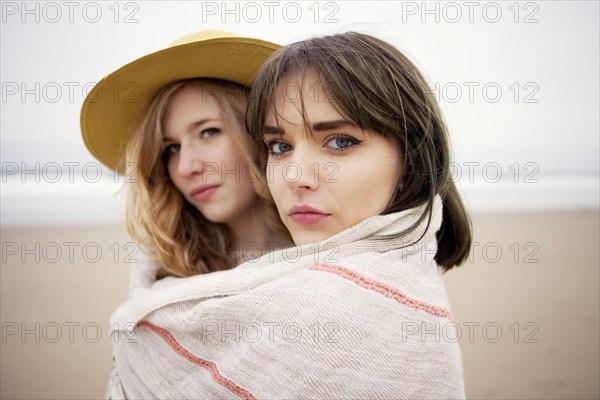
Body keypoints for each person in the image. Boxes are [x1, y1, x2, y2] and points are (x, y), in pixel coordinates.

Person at [107, 31, 472, 399]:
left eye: (341, 141)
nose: (185, 165)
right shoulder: (160, 278)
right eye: (280, 146)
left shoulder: (385, 313)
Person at [80, 30, 292, 283]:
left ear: (259, 133)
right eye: (172, 148)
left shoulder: (332, 245)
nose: (185, 167)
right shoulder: (159, 270)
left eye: (208, 132)